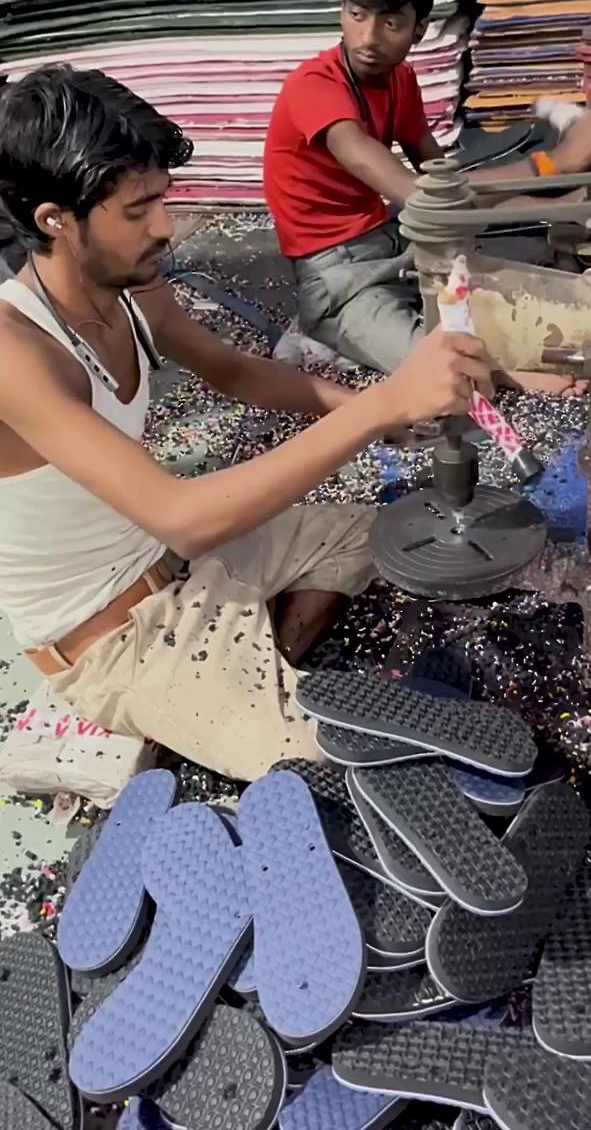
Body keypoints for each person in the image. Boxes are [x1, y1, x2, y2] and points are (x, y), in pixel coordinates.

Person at [0, 64, 493, 780]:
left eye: (162, 200)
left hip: (183, 566)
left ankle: (262, 663)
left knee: (379, 536)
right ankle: (199, 709)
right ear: (55, 221)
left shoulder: (131, 289)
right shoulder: (16, 354)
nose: (166, 228)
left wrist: (376, 410)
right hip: (112, 637)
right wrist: (385, 405)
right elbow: (183, 515)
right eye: (138, 211)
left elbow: (235, 372)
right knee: (326, 770)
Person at [264, 0, 591, 378]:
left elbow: (447, 179)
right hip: (335, 279)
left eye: (390, 23)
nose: (368, 38)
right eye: (356, 14)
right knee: (443, 374)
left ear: (419, 29)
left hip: (392, 239)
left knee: (519, 265)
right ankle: (331, 330)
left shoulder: (399, 79)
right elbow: (422, 196)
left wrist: (557, 204)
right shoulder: (314, 88)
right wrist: (554, 163)